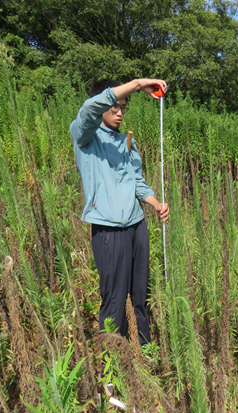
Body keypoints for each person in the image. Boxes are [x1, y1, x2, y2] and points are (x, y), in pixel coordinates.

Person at [70, 78, 169, 348]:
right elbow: (89, 109)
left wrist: (155, 203)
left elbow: (135, 180)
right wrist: (137, 84)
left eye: (123, 108)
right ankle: (113, 372)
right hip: (109, 229)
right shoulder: (85, 135)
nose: (119, 112)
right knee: (114, 299)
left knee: (140, 296)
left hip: (136, 226)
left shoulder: (126, 141)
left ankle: (145, 356)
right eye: (114, 107)